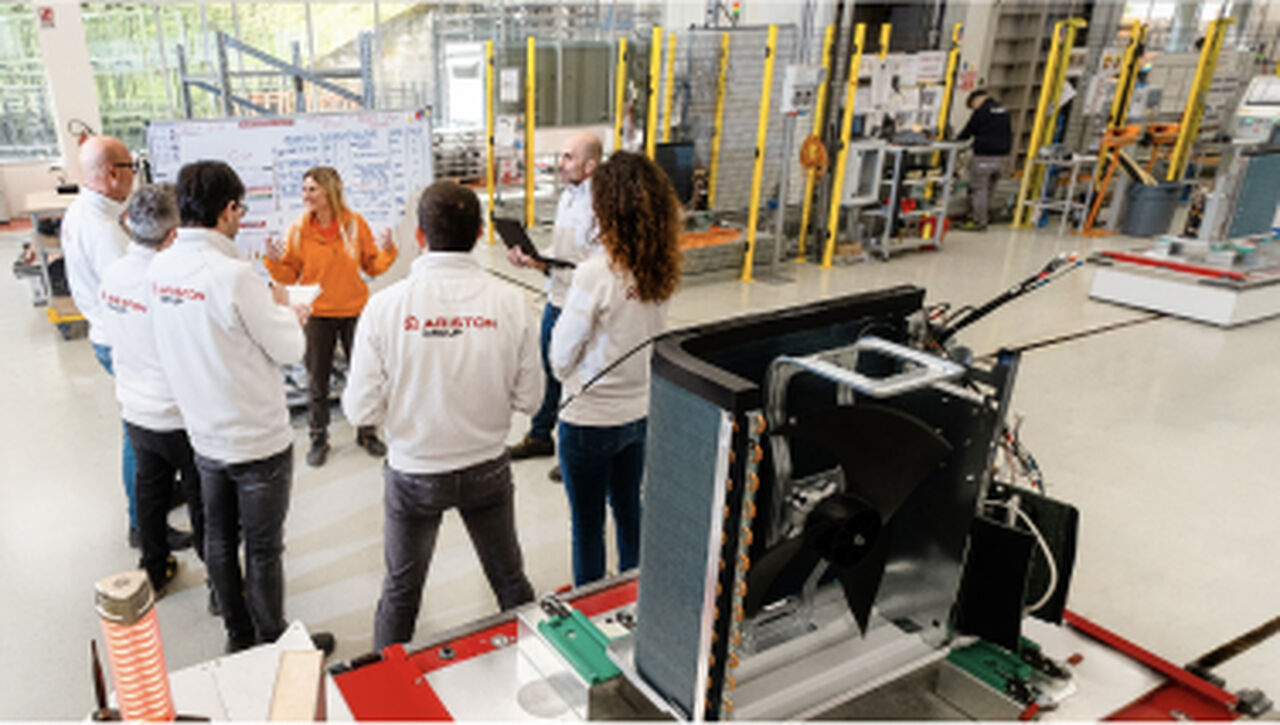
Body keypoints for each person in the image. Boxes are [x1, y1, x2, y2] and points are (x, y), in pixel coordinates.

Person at [344, 181, 540, 651]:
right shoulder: (511, 302)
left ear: (419, 237)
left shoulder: (385, 307)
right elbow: (532, 399)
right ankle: (545, 666)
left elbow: (359, 410)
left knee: (401, 592)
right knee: (511, 582)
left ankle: (385, 697)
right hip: (488, 470)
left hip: (414, 473)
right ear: (477, 234)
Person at [147, 160, 333, 656]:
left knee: (220, 540)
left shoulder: (160, 267)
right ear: (229, 210)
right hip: (256, 439)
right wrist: (291, 311)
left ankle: (238, 636)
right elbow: (290, 350)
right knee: (264, 547)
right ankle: (273, 640)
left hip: (204, 433)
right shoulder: (232, 275)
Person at [549, 151, 681, 587]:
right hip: (639, 413)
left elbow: (560, 356)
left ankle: (590, 606)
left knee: (586, 524)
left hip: (589, 418)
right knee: (628, 508)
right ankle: (633, 595)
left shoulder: (595, 273)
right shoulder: (660, 267)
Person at [97, 184, 207, 596]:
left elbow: (110, 336)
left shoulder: (113, 274)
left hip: (136, 408)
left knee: (151, 488)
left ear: (130, 222)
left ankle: (154, 569)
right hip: (179, 412)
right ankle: (219, 584)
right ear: (174, 234)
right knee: (201, 498)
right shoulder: (170, 281)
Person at [264, 166, 398, 467]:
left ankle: (367, 432)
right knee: (317, 381)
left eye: (312, 189)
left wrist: (388, 250)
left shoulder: (354, 224)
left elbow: (372, 266)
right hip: (318, 315)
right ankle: (318, 438)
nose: (306, 195)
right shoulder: (299, 229)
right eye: (304, 189)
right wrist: (273, 261)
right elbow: (291, 273)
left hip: (355, 312)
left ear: (329, 190)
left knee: (365, 376)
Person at [506, 132, 603, 479]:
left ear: (590, 165)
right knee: (548, 366)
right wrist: (535, 259)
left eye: (568, 158)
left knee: (575, 376)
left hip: (581, 303)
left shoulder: (602, 203)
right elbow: (564, 250)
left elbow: (597, 262)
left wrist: (550, 265)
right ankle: (540, 435)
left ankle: (573, 450)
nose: (559, 164)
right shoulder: (568, 196)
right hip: (557, 296)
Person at [956, 89, 1013, 231]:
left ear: (976, 100)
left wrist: (955, 142)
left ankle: (979, 221)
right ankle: (984, 216)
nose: (973, 109)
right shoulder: (1003, 110)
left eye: (972, 106)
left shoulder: (981, 111)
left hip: (984, 156)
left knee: (979, 190)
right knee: (989, 190)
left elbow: (967, 132)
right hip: (1003, 158)